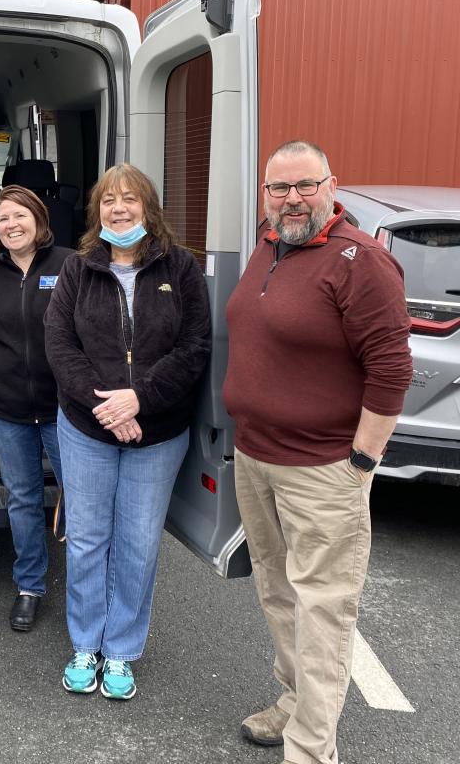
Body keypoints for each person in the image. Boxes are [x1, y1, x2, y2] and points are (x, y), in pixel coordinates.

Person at [223, 140, 412, 764]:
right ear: (265, 195)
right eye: (280, 188)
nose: (292, 199)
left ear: (333, 185)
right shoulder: (269, 247)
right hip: (257, 459)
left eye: (305, 186)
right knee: (278, 592)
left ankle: (311, 750)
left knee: (322, 610)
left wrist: (361, 460)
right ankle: (292, 705)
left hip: (323, 469)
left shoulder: (362, 263)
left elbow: (391, 369)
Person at [44, 163, 211, 699]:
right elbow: (60, 347)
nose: (119, 209)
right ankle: (85, 645)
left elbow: (194, 349)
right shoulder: (77, 268)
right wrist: (107, 408)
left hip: (157, 431)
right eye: (109, 201)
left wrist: (140, 399)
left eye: (130, 200)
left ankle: (120, 652)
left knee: (137, 545)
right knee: (89, 541)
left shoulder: (180, 268)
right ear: (97, 212)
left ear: (148, 208)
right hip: (87, 427)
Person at [0, 186, 72, 632]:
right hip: (8, 411)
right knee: (22, 500)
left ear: (38, 220)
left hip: (66, 411)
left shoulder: (69, 266)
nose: (12, 225)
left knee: (81, 499)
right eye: (3, 218)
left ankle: (87, 590)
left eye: (20, 215)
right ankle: (30, 587)